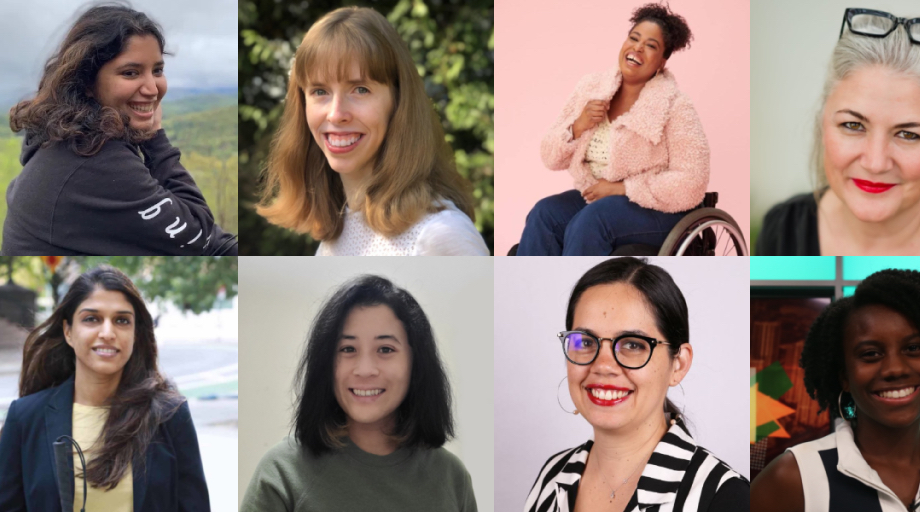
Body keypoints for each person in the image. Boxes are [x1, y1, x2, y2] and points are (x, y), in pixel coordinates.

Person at [749, 269, 920, 511]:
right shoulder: (794, 477)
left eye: (914, 348)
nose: (895, 369)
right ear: (844, 377)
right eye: (870, 354)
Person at [757, 9, 920, 255]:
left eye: (908, 134)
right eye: (853, 125)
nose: (875, 163)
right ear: (823, 121)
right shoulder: (782, 230)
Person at [1, 4, 237, 256]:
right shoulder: (92, 160)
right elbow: (200, 239)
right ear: (88, 81)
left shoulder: (67, 142)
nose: (152, 89)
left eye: (157, 70)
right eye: (130, 73)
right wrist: (155, 137)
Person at [255, 7, 488, 256]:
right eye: (320, 91)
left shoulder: (440, 235)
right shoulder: (333, 240)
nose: (335, 114)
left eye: (360, 89)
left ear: (398, 101)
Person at [525, 258, 747, 512]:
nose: (603, 365)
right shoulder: (552, 477)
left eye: (633, 344)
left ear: (679, 364)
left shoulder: (725, 497)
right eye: (586, 342)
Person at [240, 275, 478, 511]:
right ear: (326, 361)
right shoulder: (281, 474)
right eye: (348, 349)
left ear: (416, 362)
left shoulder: (452, 478)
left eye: (385, 349)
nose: (365, 370)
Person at [0, 265, 209, 511]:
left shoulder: (169, 415)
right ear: (68, 331)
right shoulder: (25, 417)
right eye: (92, 319)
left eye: (122, 321)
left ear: (135, 334)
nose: (107, 332)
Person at [516, 4, 709, 256]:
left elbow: (692, 182)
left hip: (658, 209)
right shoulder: (591, 88)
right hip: (598, 199)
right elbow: (550, 157)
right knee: (545, 213)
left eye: (651, 46)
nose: (638, 48)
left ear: (662, 62)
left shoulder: (674, 105)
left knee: (592, 221)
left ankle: (578, 294)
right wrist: (578, 125)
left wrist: (623, 188)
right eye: (634, 38)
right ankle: (534, 292)